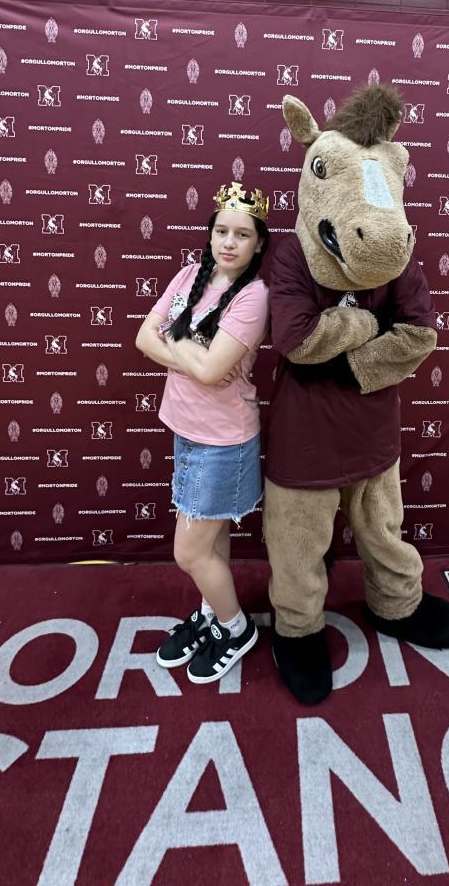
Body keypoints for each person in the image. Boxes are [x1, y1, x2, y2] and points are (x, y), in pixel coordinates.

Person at [135, 181, 270, 684]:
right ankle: (214, 614)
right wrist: (192, 349)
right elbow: (142, 336)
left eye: (242, 234)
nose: (229, 242)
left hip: (223, 441)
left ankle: (236, 629)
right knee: (211, 545)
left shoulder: (255, 297)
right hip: (186, 429)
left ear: (258, 243)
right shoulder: (190, 273)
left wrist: (174, 338)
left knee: (189, 552)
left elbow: (213, 372)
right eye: (221, 231)